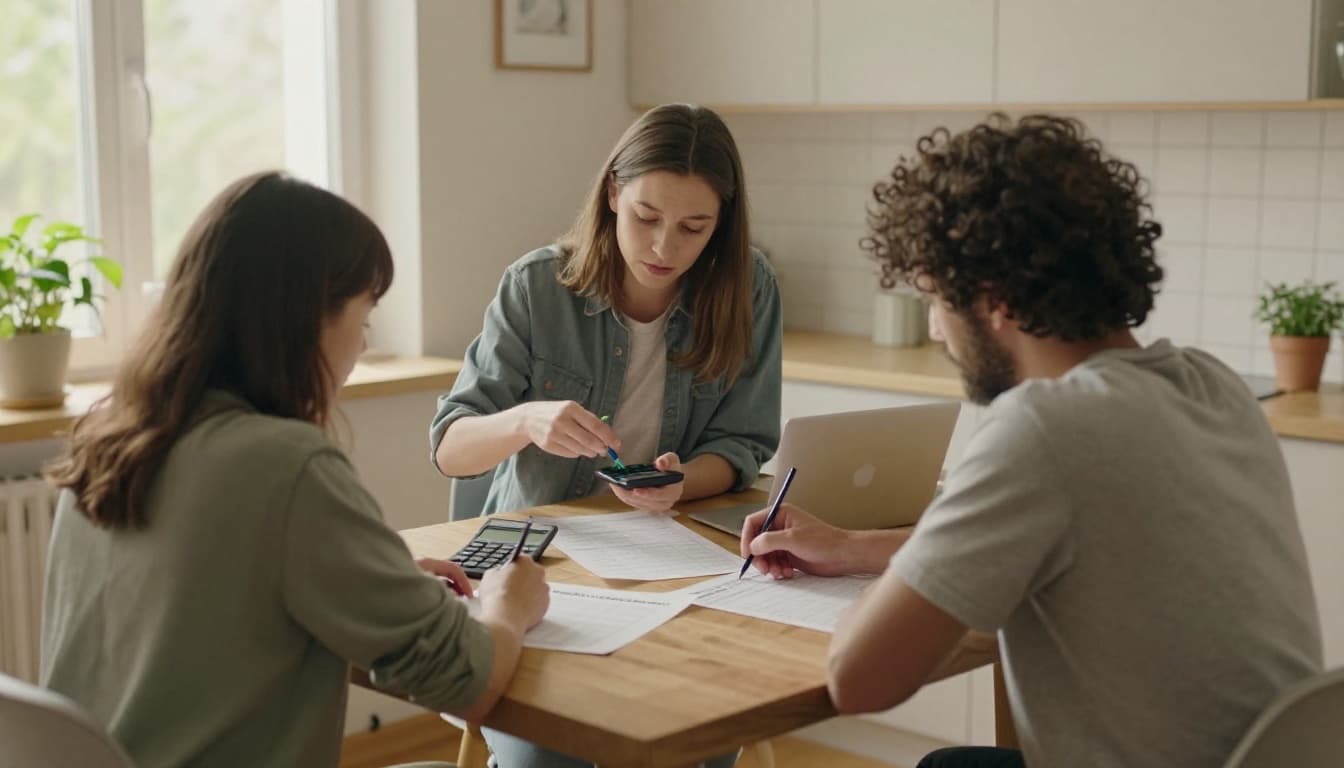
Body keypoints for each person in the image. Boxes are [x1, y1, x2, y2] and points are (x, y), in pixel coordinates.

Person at [738, 114, 1323, 768]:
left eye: (935, 298)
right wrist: (851, 548)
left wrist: (894, 583)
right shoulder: (1214, 386)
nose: (935, 329)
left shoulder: (1045, 428)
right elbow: (1064, 541)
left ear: (994, 300)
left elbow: (858, 677)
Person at [41, 172, 550, 768]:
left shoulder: (110, 441)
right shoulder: (286, 464)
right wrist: (508, 605)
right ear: (308, 318)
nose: (362, 345)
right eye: (363, 317)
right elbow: (467, 682)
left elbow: (205, 591)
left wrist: (370, 572)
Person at [431, 103, 782, 519]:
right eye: (646, 217)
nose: (663, 248)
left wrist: (679, 483)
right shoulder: (535, 286)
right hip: (548, 545)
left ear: (720, 222)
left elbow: (741, 443)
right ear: (614, 193)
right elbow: (451, 451)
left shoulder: (748, 285)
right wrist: (526, 421)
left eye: (693, 228)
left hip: (669, 539)